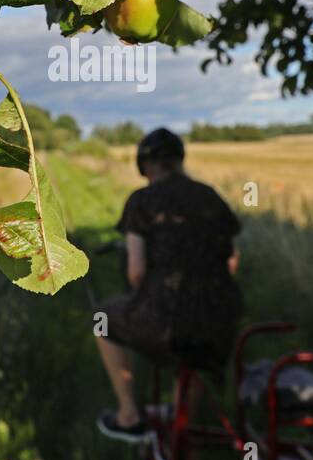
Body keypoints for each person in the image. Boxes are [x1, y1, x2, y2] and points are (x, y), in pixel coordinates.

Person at [94, 127, 243, 441]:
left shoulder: (142, 200)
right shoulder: (210, 196)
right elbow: (231, 262)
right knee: (195, 348)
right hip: (221, 315)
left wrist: (145, 296)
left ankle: (129, 416)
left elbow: (136, 272)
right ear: (179, 160)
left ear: (146, 167)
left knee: (102, 319)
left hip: (166, 314)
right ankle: (181, 423)